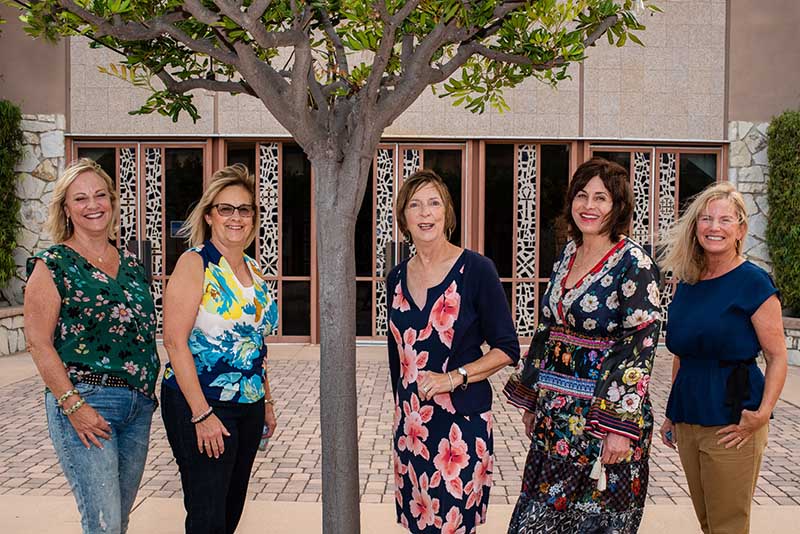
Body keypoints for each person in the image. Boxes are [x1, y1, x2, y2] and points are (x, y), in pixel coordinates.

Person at [503, 157, 662, 533]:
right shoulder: (567, 255)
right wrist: (531, 397)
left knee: (592, 523)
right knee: (536, 521)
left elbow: (639, 343)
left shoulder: (633, 263)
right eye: (582, 195)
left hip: (601, 421)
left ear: (618, 206)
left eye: (601, 198)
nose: (588, 206)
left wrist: (619, 426)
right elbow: (547, 329)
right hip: (555, 420)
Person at [24, 158, 160, 534]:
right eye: (80, 198)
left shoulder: (132, 264)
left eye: (100, 195)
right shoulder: (54, 264)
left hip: (137, 408)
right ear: (66, 209)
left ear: (112, 201)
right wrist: (73, 405)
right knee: (103, 524)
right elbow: (38, 342)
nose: (93, 205)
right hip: (86, 402)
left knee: (118, 521)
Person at [387, 169, 520, 533]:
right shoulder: (395, 278)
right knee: (419, 525)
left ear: (447, 212)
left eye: (433, 203)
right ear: (404, 217)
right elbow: (397, 359)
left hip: (460, 430)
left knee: (451, 527)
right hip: (411, 429)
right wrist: (400, 416)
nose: (425, 213)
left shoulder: (477, 270)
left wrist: (454, 377)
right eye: (415, 205)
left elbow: (508, 347)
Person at [658, 182, 787, 534]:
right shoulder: (688, 281)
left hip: (733, 421)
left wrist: (760, 415)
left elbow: (777, 357)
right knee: (708, 523)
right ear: (695, 226)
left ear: (740, 229)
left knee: (727, 526)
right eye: (706, 218)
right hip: (689, 417)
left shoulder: (754, 284)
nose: (714, 227)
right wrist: (672, 413)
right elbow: (683, 353)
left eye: (725, 219)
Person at [160, 164, 279, 534]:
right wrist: (201, 414)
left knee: (229, 513)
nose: (236, 217)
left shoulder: (255, 270)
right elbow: (173, 341)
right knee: (207, 515)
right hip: (202, 401)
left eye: (244, 209)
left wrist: (268, 402)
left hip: (249, 404)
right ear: (210, 215)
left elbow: (255, 344)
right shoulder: (195, 263)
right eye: (226, 208)